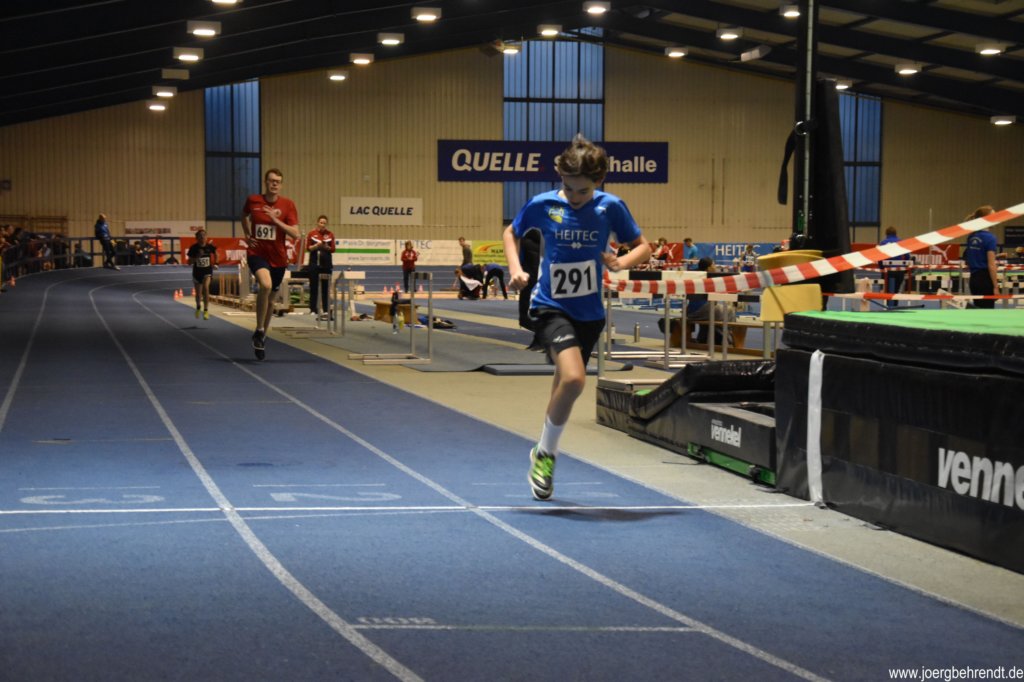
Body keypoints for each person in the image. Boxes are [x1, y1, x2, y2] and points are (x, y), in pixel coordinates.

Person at [503, 133, 651, 501]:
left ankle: (542, 450)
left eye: (582, 190)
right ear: (560, 177)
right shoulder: (543, 204)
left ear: (599, 181)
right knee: (573, 379)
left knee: (563, 386)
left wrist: (622, 262)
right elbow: (511, 232)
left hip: (589, 313)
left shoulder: (610, 207)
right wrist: (516, 268)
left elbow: (644, 247)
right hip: (550, 306)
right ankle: (546, 456)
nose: (574, 196)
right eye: (568, 188)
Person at [241, 168, 301, 360]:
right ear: (265, 182)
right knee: (265, 285)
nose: (274, 184)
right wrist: (247, 234)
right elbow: (243, 215)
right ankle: (259, 329)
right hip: (257, 253)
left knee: (271, 301)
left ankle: (261, 338)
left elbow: (296, 234)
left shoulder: (288, 205)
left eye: (278, 181)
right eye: (271, 180)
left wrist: (276, 220)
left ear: (281, 185)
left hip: (279, 258)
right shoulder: (253, 200)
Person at [963, 205, 999, 309]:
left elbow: (971, 257)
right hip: (985, 280)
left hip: (974, 279)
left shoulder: (971, 236)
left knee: (978, 311)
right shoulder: (990, 238)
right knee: (987, 312)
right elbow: (991, 265)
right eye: (993, 216)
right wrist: (996, 286)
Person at [306, 214, 335, 319]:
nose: (323, 224)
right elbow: (308, 248)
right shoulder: (312, 233)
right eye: (321, 222)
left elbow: (333, 249)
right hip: (314, 264)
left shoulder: (330, 234)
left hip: (326, 264)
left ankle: (326, 310)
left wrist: (326, 247)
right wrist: (316, 246)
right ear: (318, 223)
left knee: (325, 288)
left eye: (324, 223)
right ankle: (313, 309)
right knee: (313, 287)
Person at [186, 229, 218, 320]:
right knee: (198, 294)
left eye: (204, 235)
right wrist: (197, 256)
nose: (202, 237)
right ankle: (198, 307)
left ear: (206, 237)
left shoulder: (210, 246)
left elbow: (216, 254)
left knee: (206, 288)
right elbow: (189, 262)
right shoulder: (193, 248)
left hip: (207, 271)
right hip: (197, 272)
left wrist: (216, 263)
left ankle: (206, 310)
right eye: (200, 236)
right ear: (197, 238)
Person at [878, 226, 904, 308]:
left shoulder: (883, 243)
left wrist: (881, 268)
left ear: (886, 234)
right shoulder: (901, 242)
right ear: (896, 233)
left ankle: (889, 306)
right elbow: (907, 256)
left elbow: (879, 258)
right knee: (896, 290)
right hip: (899, 270)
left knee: (888, 291)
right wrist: (904, 267)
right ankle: (895, 306)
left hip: (887, 271)